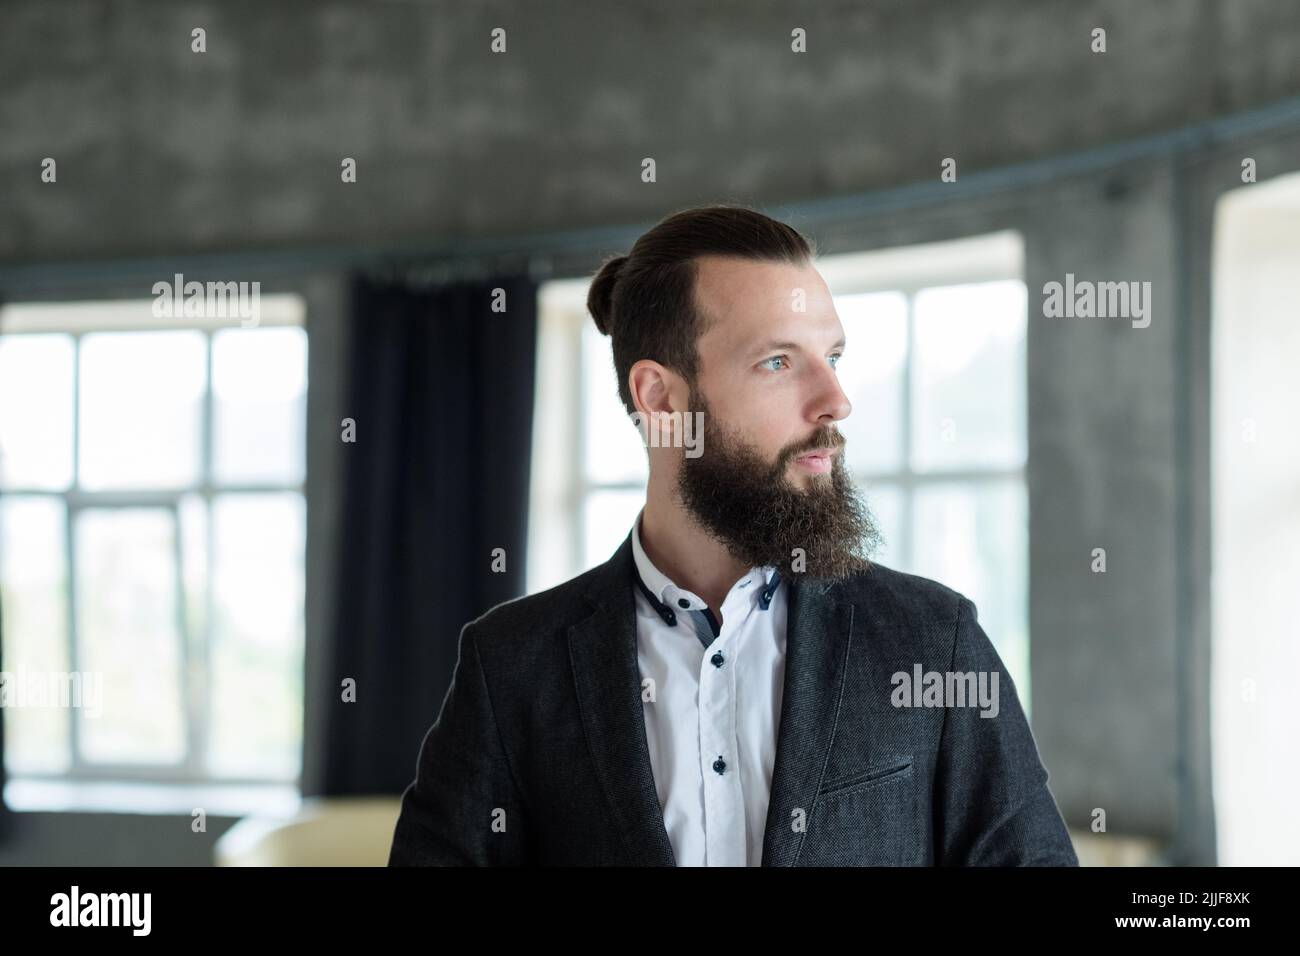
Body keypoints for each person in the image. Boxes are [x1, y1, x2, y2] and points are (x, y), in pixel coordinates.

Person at [388, 204, 1077, 866]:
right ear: (661, 399)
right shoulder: (512, 666)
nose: (835, 399)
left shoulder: (934, 640)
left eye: (831, 354)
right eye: (778, 362)